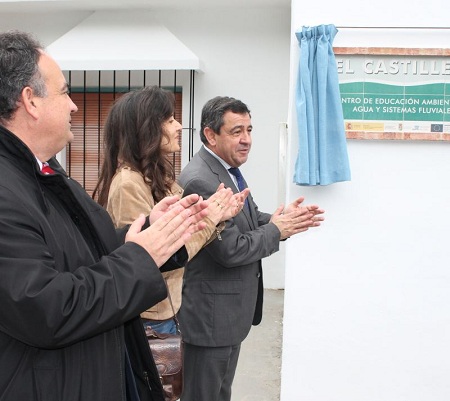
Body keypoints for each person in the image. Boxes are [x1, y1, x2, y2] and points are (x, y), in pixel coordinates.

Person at [0, 30, 209, 401]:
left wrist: (144, 233)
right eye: (64, 92)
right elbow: (47, 309)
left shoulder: (44, 173)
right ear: (30, 101)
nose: (74, 106)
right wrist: (141, 256)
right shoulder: (8, 187)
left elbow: (81, 251)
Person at [178, 96, 325, 401]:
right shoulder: (201, 180)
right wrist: (276, 230)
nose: (246, 140)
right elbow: (230, 249)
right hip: (211, 319)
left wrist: (280, 220)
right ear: (210, 134)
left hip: (227, 317)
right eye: (236, 132)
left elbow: (249, 217)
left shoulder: (225, 169)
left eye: (249, 130)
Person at [94, 86, 248, 335]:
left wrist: (217, 215)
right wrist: (211, 216)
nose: (178, 126)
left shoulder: (156, 176)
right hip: (149, 319)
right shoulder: (128, 184)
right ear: (147, 129)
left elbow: (184, 238)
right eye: (169, 120)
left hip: (167, 310)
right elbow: (156, 258)